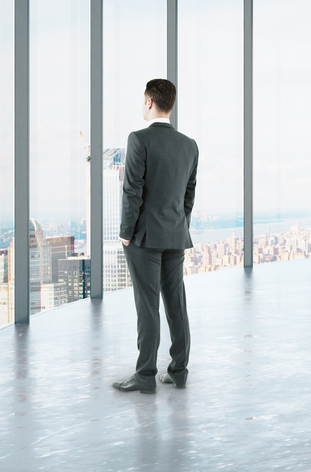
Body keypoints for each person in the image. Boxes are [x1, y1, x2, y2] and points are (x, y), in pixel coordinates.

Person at [113, 79, 198, 394]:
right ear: (171, 104)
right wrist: (179, 225)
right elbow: (189, 195)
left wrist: (126, 233)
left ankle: (146, 375)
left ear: (149, 102)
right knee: (176, 304)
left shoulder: (139, 139)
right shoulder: (190, 144)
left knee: (147, 305)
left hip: (144, 238)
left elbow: (132, 190)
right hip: (176, 235)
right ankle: (179, 371)